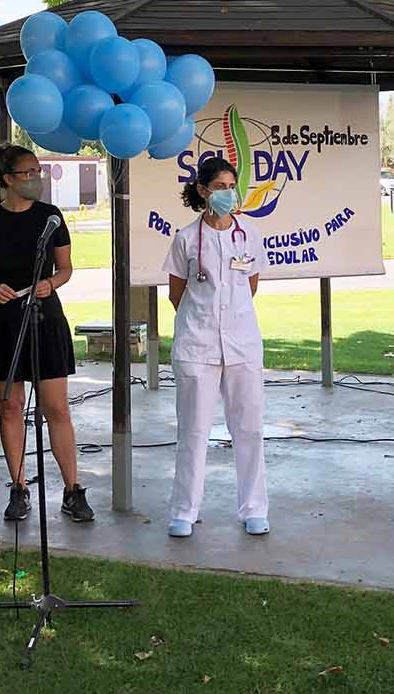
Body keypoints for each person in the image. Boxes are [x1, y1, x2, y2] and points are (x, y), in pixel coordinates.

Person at [0, 144, 92, 523]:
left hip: (43, 317)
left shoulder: (50, 217)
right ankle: (19, 488)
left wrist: (51, 283)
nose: (37, 178)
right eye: (29, 173)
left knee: (56, 408)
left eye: (39, 171)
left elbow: (66, 268)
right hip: (0, 322)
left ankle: (73, 490)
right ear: (7, 179)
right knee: (10, 406)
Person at [163, 156, 268, 539]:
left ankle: (254, 508)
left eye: (231, 185)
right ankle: (184, 511)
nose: (228, 193)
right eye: (220, 186)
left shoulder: (248, 234)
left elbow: (251, 285)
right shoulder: (187, 238)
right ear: (203, 190)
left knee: (249, 428)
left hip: (242, 344)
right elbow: (178, 294)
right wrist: (203, 320)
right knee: (193, 430)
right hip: (197, 344)